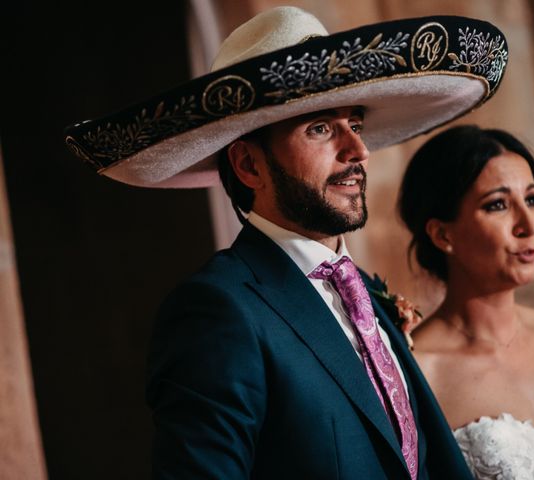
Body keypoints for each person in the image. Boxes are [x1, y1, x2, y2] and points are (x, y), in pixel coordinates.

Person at [64, 7, 510, 479]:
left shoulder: (362, 290)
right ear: (249, 166)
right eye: (320, 128)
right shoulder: (217, 310)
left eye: (354, 125)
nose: (356, 150)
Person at [398, 125, 534, 479]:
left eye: (532, 199)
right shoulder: (420, 373)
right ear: (443, 234)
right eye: (498, 205)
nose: (528, 224)